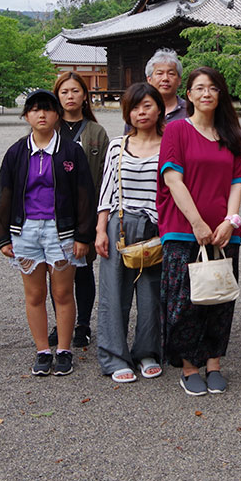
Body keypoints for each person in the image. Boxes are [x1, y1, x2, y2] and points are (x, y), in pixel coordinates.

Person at [0, 90, 96, 377]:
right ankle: (42, 351)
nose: (41, 115)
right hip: (25, 230)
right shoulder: (16, 152)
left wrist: (84, 236)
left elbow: (86, 194)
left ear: (57, 115)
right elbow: (4, 194)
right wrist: (2, 237)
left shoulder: (71, 151)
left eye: (48, 109)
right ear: (26, 116)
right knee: (34, 294)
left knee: (62, 293)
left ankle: (63, 350)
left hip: (61, 230)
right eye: (35, 110)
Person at [157, 67, 241, 396]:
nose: (206, 93)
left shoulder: (230, 135)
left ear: (220, 94)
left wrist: (230, 220)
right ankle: (189, 366)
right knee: (186, 302)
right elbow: (172, 178)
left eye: (212, 88)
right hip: (183, 231)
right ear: (189, 95)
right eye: (199, 88)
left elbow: (238, 182)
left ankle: (213, 362)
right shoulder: (177, 130)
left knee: (220, 298)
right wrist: (197, 222)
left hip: (225, 234)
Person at [95, 83, 165, 382]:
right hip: (118, 224)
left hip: (155, 227)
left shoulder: (170, 144)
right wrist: (100, 230)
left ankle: (147, 351)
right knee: (114, 293)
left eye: (147, 105)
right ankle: (114, 356)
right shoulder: (117, 145)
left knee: (151, 294)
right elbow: (107, 190)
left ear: (159, 108)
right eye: (135, 107)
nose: (141, 112)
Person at [49, 72, 110, 348]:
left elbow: (108, 176)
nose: (70, 96)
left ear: (85, 96)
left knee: (83, 269)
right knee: (56, 269)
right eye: (64, 92)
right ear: (57, 96)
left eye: (75, 91)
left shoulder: (96, 132)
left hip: (87, 212)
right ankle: (61, 321)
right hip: (51, 212)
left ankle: (82, 323)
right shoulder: (47, 127)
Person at [146, 48, 188, 123]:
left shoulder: (191, 110)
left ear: (179, 80)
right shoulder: (140, 112)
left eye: (171, 74)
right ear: (149, 79)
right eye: (159, 73)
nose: (165, 78)